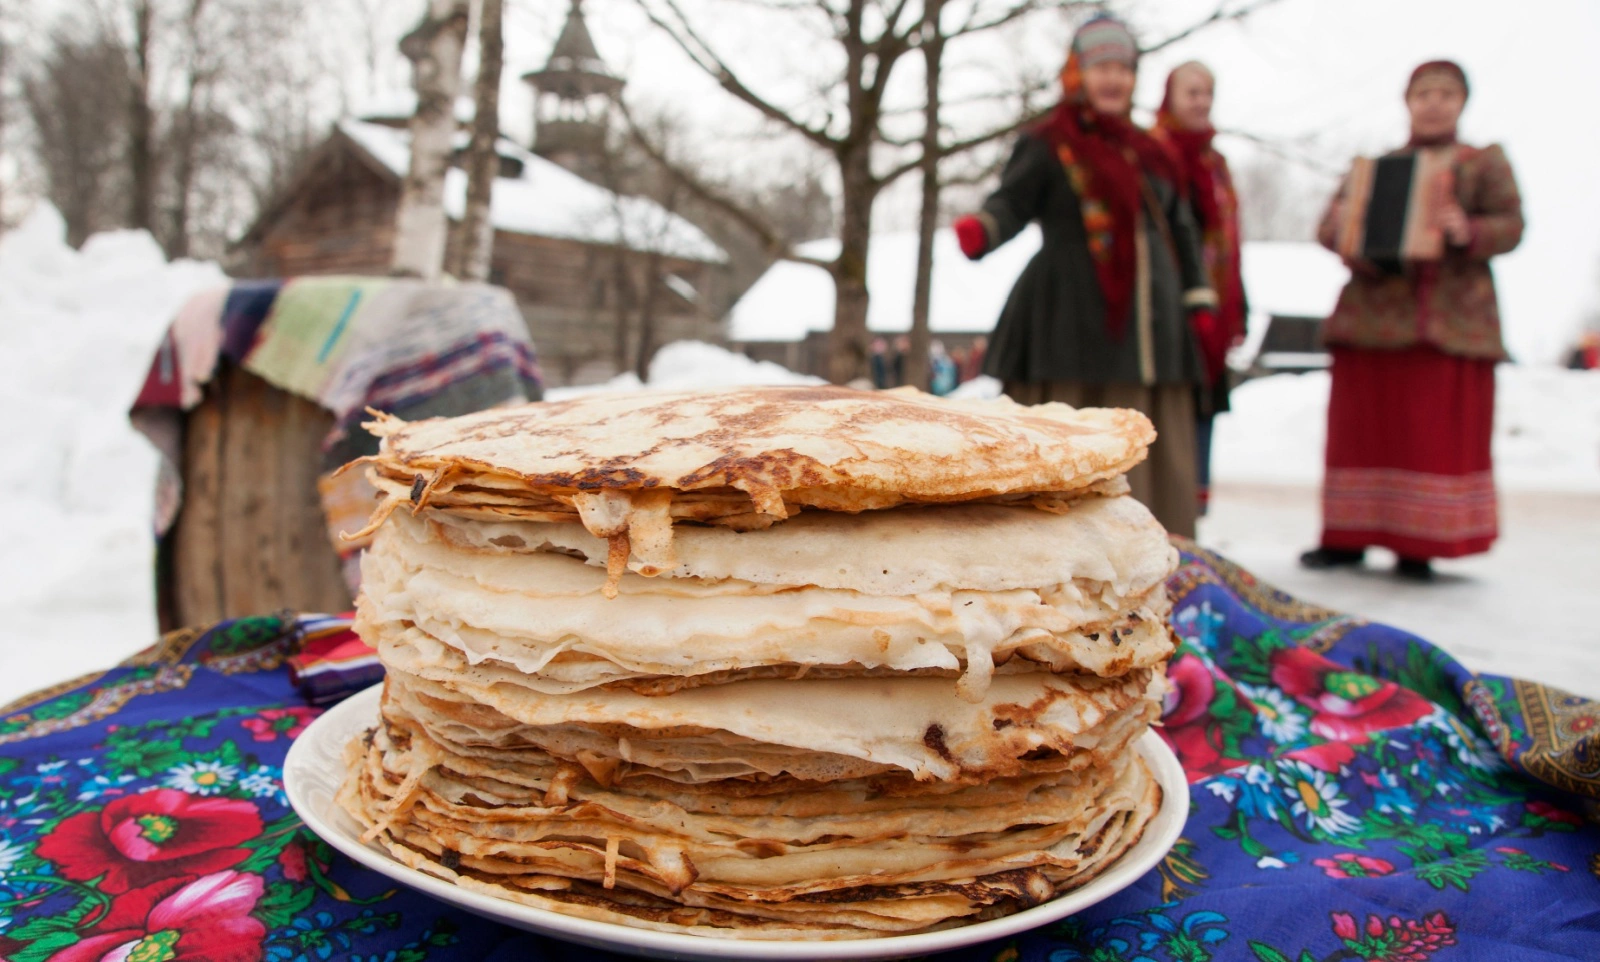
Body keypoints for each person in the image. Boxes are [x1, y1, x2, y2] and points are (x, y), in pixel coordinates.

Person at [951, 16, 1216, 539]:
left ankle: (1155, 548)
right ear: (1078, 73)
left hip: (1152, 329)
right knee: (1067, 436)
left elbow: (1181, 229)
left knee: (1153, 444)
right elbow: (1012, 202)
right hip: (1067, 322)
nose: (1113, 79)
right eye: (1101, 67)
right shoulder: (1050, 142)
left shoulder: (1151, 152)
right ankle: (1058, 551)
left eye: (1122, 68)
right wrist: (983, 228)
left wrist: (1198, 299)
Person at [1300, 61, 1523, 580]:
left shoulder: (1482, 163)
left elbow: (1512, 224)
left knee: (1428, 436)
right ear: (1408, 101)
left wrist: (1467, 229)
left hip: (1446, 324)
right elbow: (1331, 225)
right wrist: (1344, 229)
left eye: (1446, 93)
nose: (1434, 103)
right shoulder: (1373, 168)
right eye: (1424, 93)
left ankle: (1418, 543)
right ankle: (1346, 538)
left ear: (1462, 102)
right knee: (1361, 432)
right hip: (1372, 320)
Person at [1151, 61, 1246, 519]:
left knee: (1204, 404)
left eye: (1208, 92)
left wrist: (1236, 305)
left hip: (1213, 304)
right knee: (1172, 409)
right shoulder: (1156, 153)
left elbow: (1227, 240)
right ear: (1169, 96)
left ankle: (1191, 509)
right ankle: (1166, 507)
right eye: (1191, 91)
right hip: (1169, 305)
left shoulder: (1216, 164)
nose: (1201, 101)